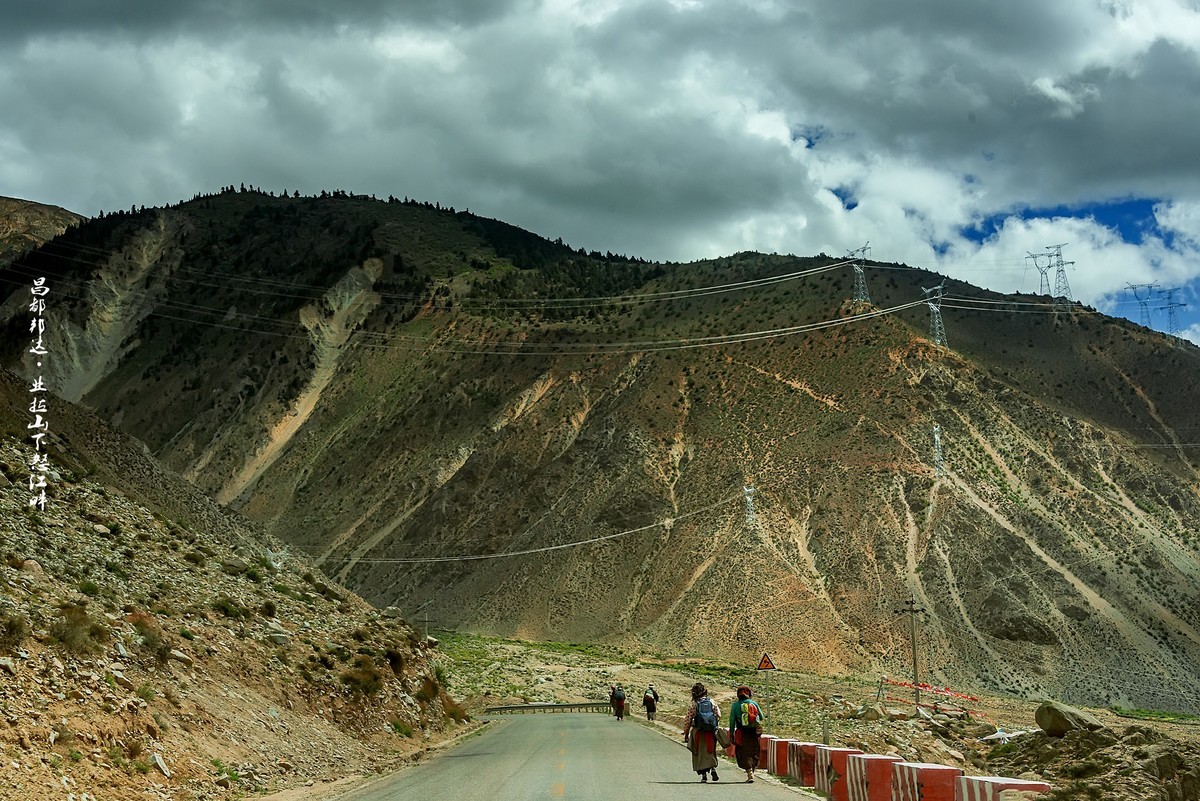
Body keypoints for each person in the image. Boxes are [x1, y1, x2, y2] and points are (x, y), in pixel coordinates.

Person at [682, 682, 721, 782]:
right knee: (710, 750)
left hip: (698, 732)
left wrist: (686, 733)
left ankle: (703, 776)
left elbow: (688, 720)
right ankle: (713, 768)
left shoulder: (693, 705)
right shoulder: (711, 702)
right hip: (710, 731)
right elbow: (718, 715)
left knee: (698, 753)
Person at [728, 685, 764, 783]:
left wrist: (731, 734)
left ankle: (749, 773)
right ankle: (752, 770)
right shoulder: (754, 703)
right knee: (754, 751)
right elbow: (761, 717)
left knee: (743, 752)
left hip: (742, 732)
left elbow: (732, 721)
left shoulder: (735, 706)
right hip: (754, 733)